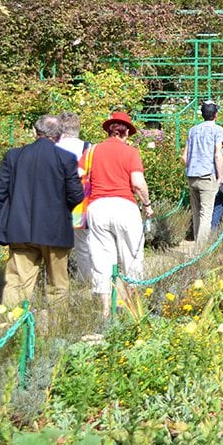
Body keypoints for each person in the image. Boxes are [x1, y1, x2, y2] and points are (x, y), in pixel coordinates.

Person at [0, 115, 84, 309]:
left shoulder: (13, 156)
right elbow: (76, 194)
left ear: (35, 132)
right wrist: (61, 212)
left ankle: (11, 328)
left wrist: (6, 220)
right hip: (55, 230)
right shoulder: (66, 158)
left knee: (16, 283)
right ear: (59, 136)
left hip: (20, 230)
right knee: (57, 286)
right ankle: (57, 331)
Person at [82, 111, 153, 318]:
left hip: (98, 207)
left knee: (101, 259)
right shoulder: (130, 152)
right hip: (124, 206)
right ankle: (134, 307)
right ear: (127, 133)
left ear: (109, 130)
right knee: (131, 256)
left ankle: (105, 311)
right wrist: (147, 204)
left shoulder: (92, 151)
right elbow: (138, 184)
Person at [181, 101, 223, 246]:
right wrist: (220, 177)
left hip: (192, 175)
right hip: (207, 174)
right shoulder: (217, 130)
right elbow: (218, 155)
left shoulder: (192, 130)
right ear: (215, 115)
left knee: (196, 212)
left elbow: (184, 157)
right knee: (206, 213)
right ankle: (200, 250)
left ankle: (196, 241)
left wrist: (191, 166)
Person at [56, 111, 92, 281]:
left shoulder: (54, 148)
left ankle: (58, 278)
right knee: (83, 244)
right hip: (82, 201)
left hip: (57, 200)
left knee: (56, 244)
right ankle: (85, 278)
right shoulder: (89, 148)